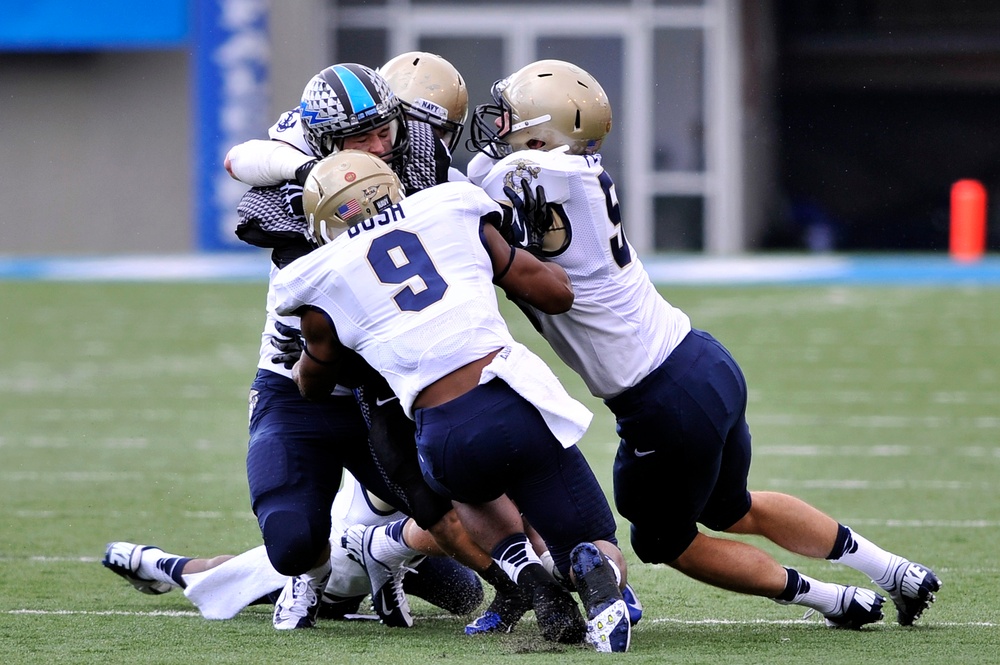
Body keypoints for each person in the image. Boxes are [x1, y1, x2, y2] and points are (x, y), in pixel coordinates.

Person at [467, 59, 941, 630]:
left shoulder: (528, 173)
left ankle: (831, 600)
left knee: (663, 540)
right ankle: (896, 572)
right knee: (732, 508)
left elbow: (467, 192)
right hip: (701, 361)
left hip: (660, 401)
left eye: (513, 122)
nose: (498, 131)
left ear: (542, 138)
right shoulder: (571, 174)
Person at [271, 150, 633, 652]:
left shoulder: (319, 282)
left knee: (467, 490)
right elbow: (556, 295)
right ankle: (594, 580)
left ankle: (525, 572)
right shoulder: (451, 208)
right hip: (513, 399)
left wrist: (303, 359)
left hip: (441, 432)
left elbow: (311, 386)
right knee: (593, 542)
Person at [220, 61, 519, 631]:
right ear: (326, 140)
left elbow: (458, 208)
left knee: (466, 497)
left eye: (387, 130)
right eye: (363, 138)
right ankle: (310, 577)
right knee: (292, 539)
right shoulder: (290, 172)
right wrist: (318, 175)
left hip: (384, 380)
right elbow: (242, 165)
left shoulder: (417, 149)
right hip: (302, 379)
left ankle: (395, 558)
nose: (382, 147)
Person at [101, 472, 483, 622]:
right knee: (249, 577)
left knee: (466, 594)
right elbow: (447, 526)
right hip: (339, 558)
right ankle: (159, 563)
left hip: (397, 551)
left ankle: (386, 563)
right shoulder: (394, 451)